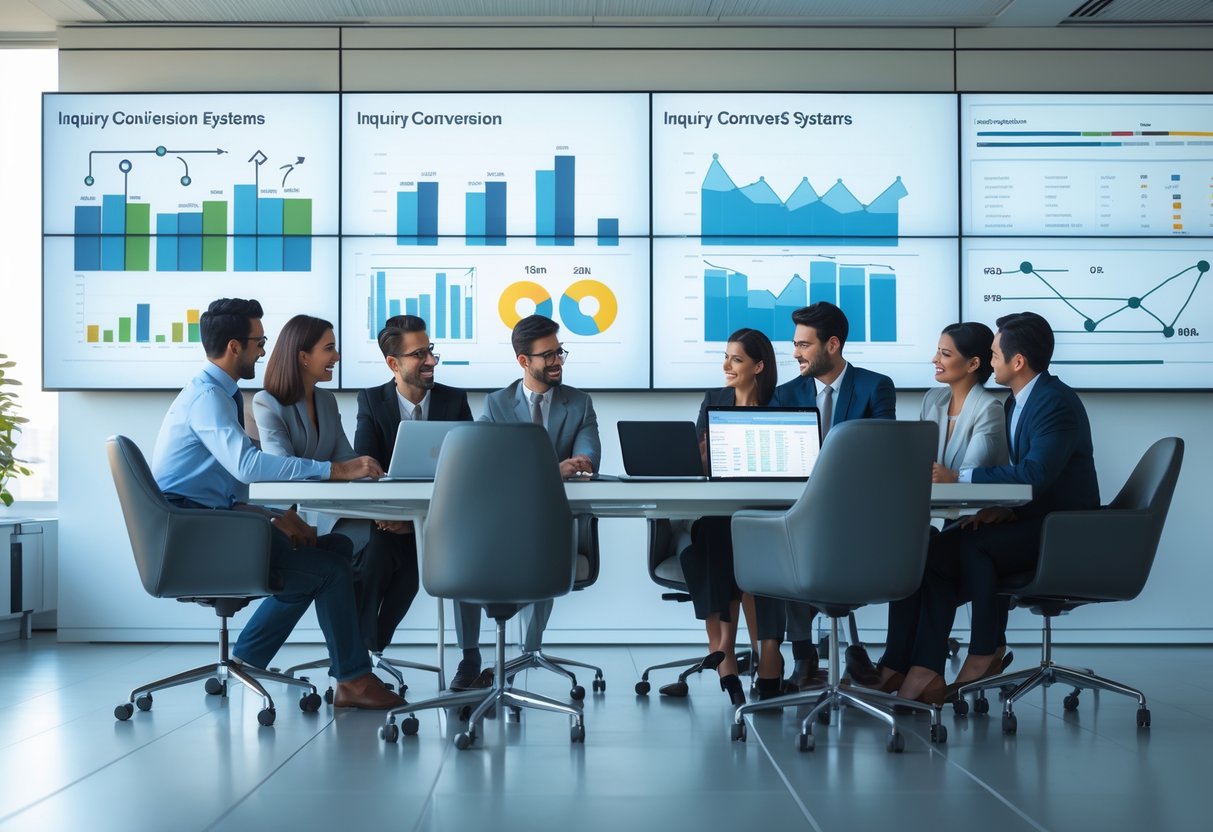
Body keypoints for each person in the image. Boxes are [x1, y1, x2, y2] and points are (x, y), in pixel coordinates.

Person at [151, 298, 402, 710]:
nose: (264, 350)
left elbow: (223, 491)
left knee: (331, 548)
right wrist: (332, 472)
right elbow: (249, 467)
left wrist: (274, 516)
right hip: (192, 536)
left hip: (208, 523)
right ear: (235, 347)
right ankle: (352, 680)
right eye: (258, 341)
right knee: (330, 570)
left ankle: (248, 658)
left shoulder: (219, 394)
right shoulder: (208, 399)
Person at [869, 311, 1099, 704]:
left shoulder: (1053, 402)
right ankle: (923, 668)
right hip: (1033, 518)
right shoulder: (1018, 403)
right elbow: (1029, 478)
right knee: (931, 553)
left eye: (994, 355)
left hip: (1064, 529)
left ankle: (985, 651)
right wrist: (1005, 510)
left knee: (977, 546)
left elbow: (1034, 473)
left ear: (1018, 361)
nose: (990, 363)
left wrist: (960, 479)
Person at [846, 321, 1009, 686]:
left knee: (924, 558)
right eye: (938, 351)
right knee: (910, 556)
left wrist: (939, 474)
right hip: (935, 518)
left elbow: (967, 473)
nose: (934, 359)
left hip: (970, 520)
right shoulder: (932, 400)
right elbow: (920, 465)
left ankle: (917, 669)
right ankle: (895, 666)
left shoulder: (989, 409)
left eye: (945, 354)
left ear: (972, 364)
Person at [765, 301, 896, 689]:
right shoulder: (784, 395)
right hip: (799, 511)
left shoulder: (875, 387)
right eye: (795, 344)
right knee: (786, 538)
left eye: (804, 345)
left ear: (833, 344)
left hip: (854, 513)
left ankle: (840, 653)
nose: (795, 354)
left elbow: (880, 452)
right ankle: (805, 654)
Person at [354, 315, 474, 687]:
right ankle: (360, 660)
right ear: (393, 363)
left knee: (417, 569)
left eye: (431, 351)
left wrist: (416, 522)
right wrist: (394, 519)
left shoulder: (454, 401)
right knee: (375, 560)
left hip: (437, 523)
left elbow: (468, 475)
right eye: (419, 354)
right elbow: (367, 469)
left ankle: (364, 652)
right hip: (386, 522)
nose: (430, 361)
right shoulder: (372, 401)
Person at [480, 314, 601, 661]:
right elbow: (484, 462)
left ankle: (529, 649)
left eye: (559, 352)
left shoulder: (578, 403)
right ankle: (475, 656)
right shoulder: (496, 404)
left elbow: (587, 456)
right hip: (508, 519)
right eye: (548, 355)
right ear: (523, 360)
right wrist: (552, 469)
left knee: (545, 538)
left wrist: (577, 464)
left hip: (559, 518)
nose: (557, 361)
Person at [678, 328, 777, 705]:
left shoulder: (781, 402)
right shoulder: (715, 399)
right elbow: (700, 466)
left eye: (736, 359)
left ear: (759, 366)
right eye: (726, 356)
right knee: (720, 530)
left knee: (742, 538)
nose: (726, 365)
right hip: (722, 511)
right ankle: (735, 652)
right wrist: (699, 456)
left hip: (766, 514)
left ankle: (726, 651)